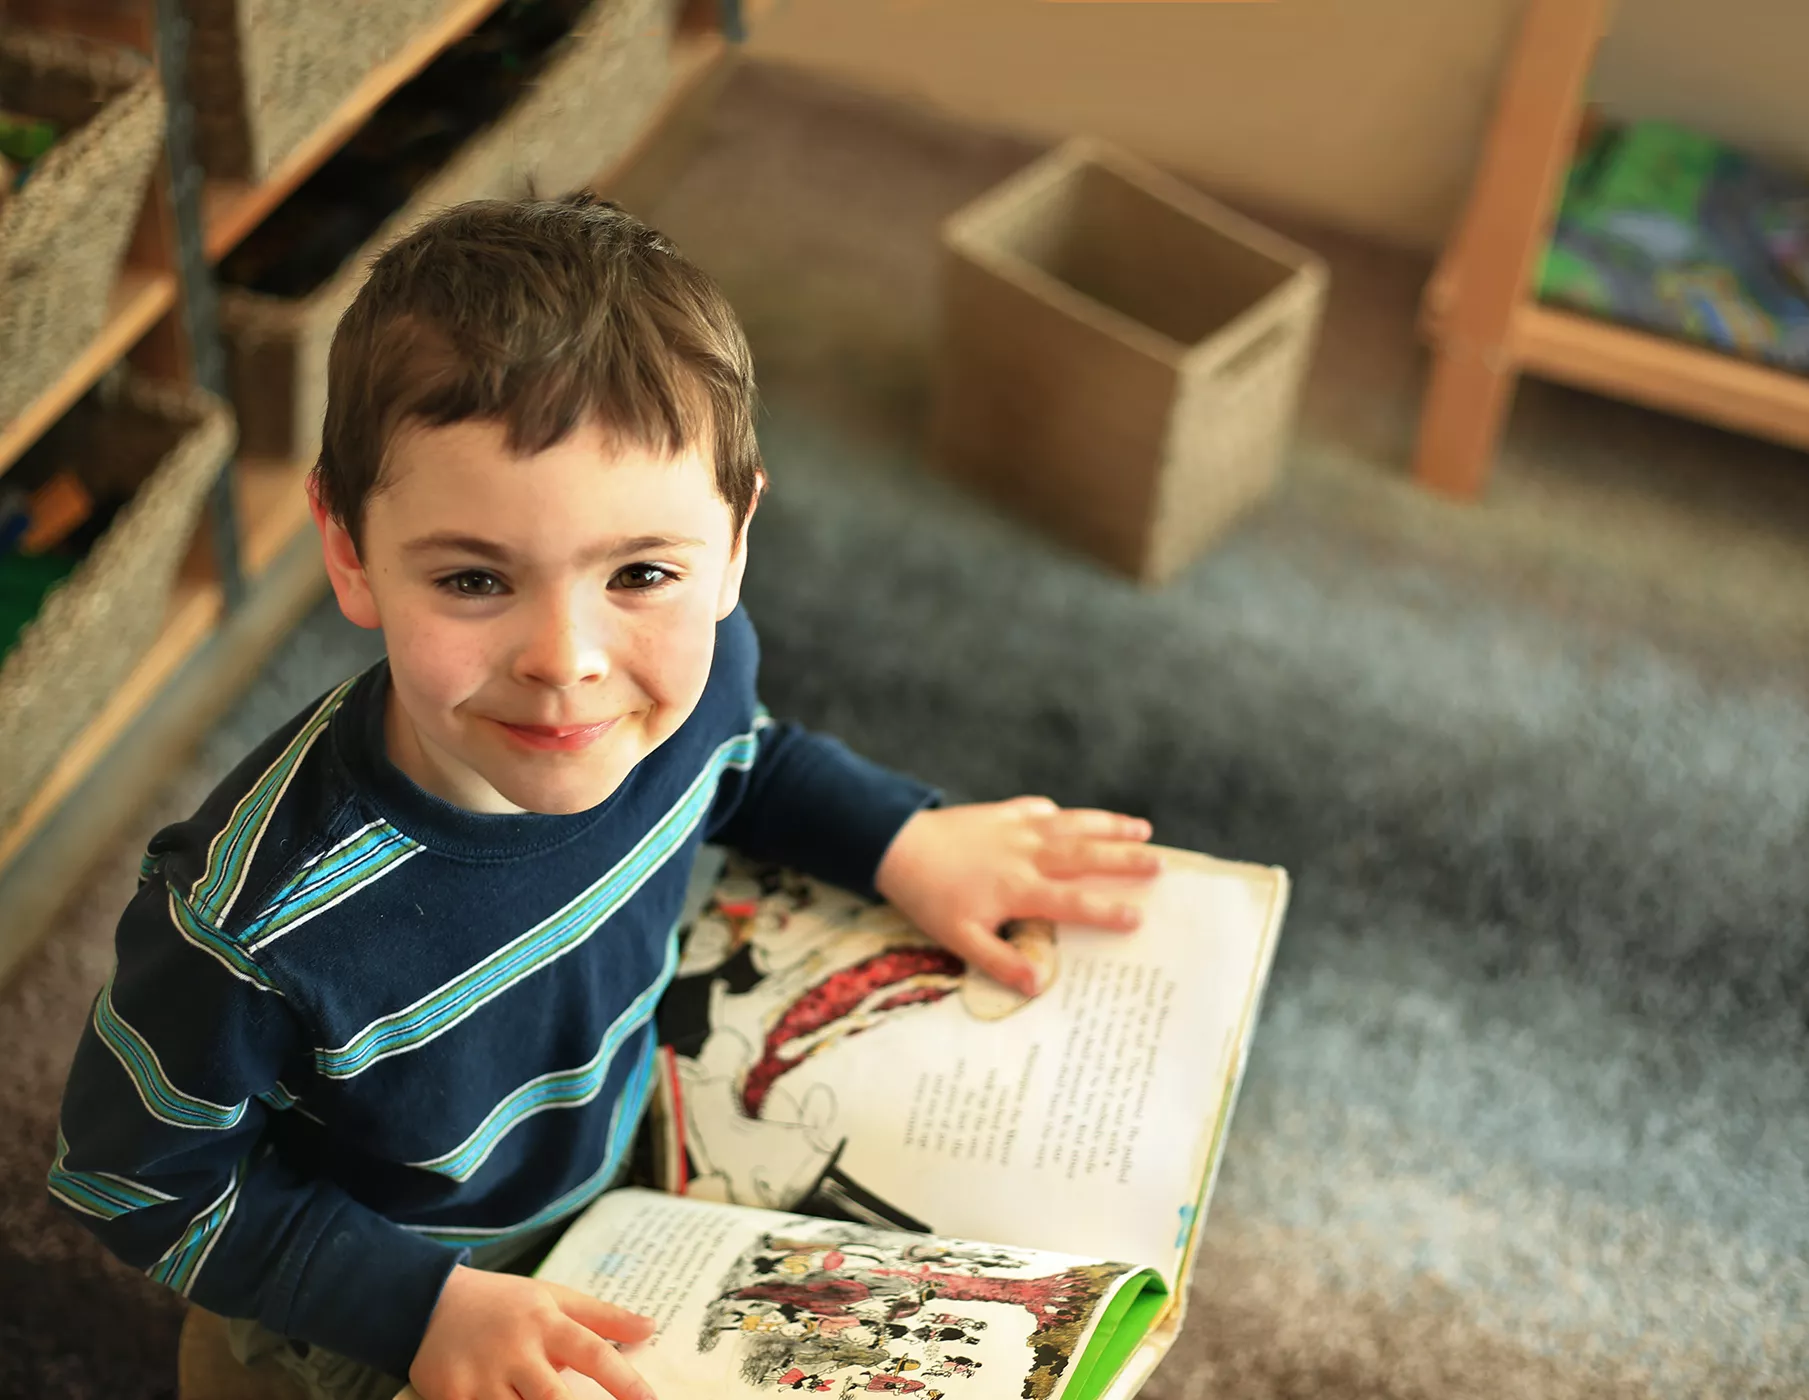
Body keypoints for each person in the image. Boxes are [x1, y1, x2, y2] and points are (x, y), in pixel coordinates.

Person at [47, 193, 1160, 1400]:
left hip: (609, 1199)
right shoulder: (251, 925)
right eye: (475, 577)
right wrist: (418, 1309)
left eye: (640, 572)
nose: (567, 659)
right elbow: (132, 1175)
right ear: (349, 549)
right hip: (355, 1315)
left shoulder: (695, 678)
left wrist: (898, 833)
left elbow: (745, 759)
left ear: (732, 542)